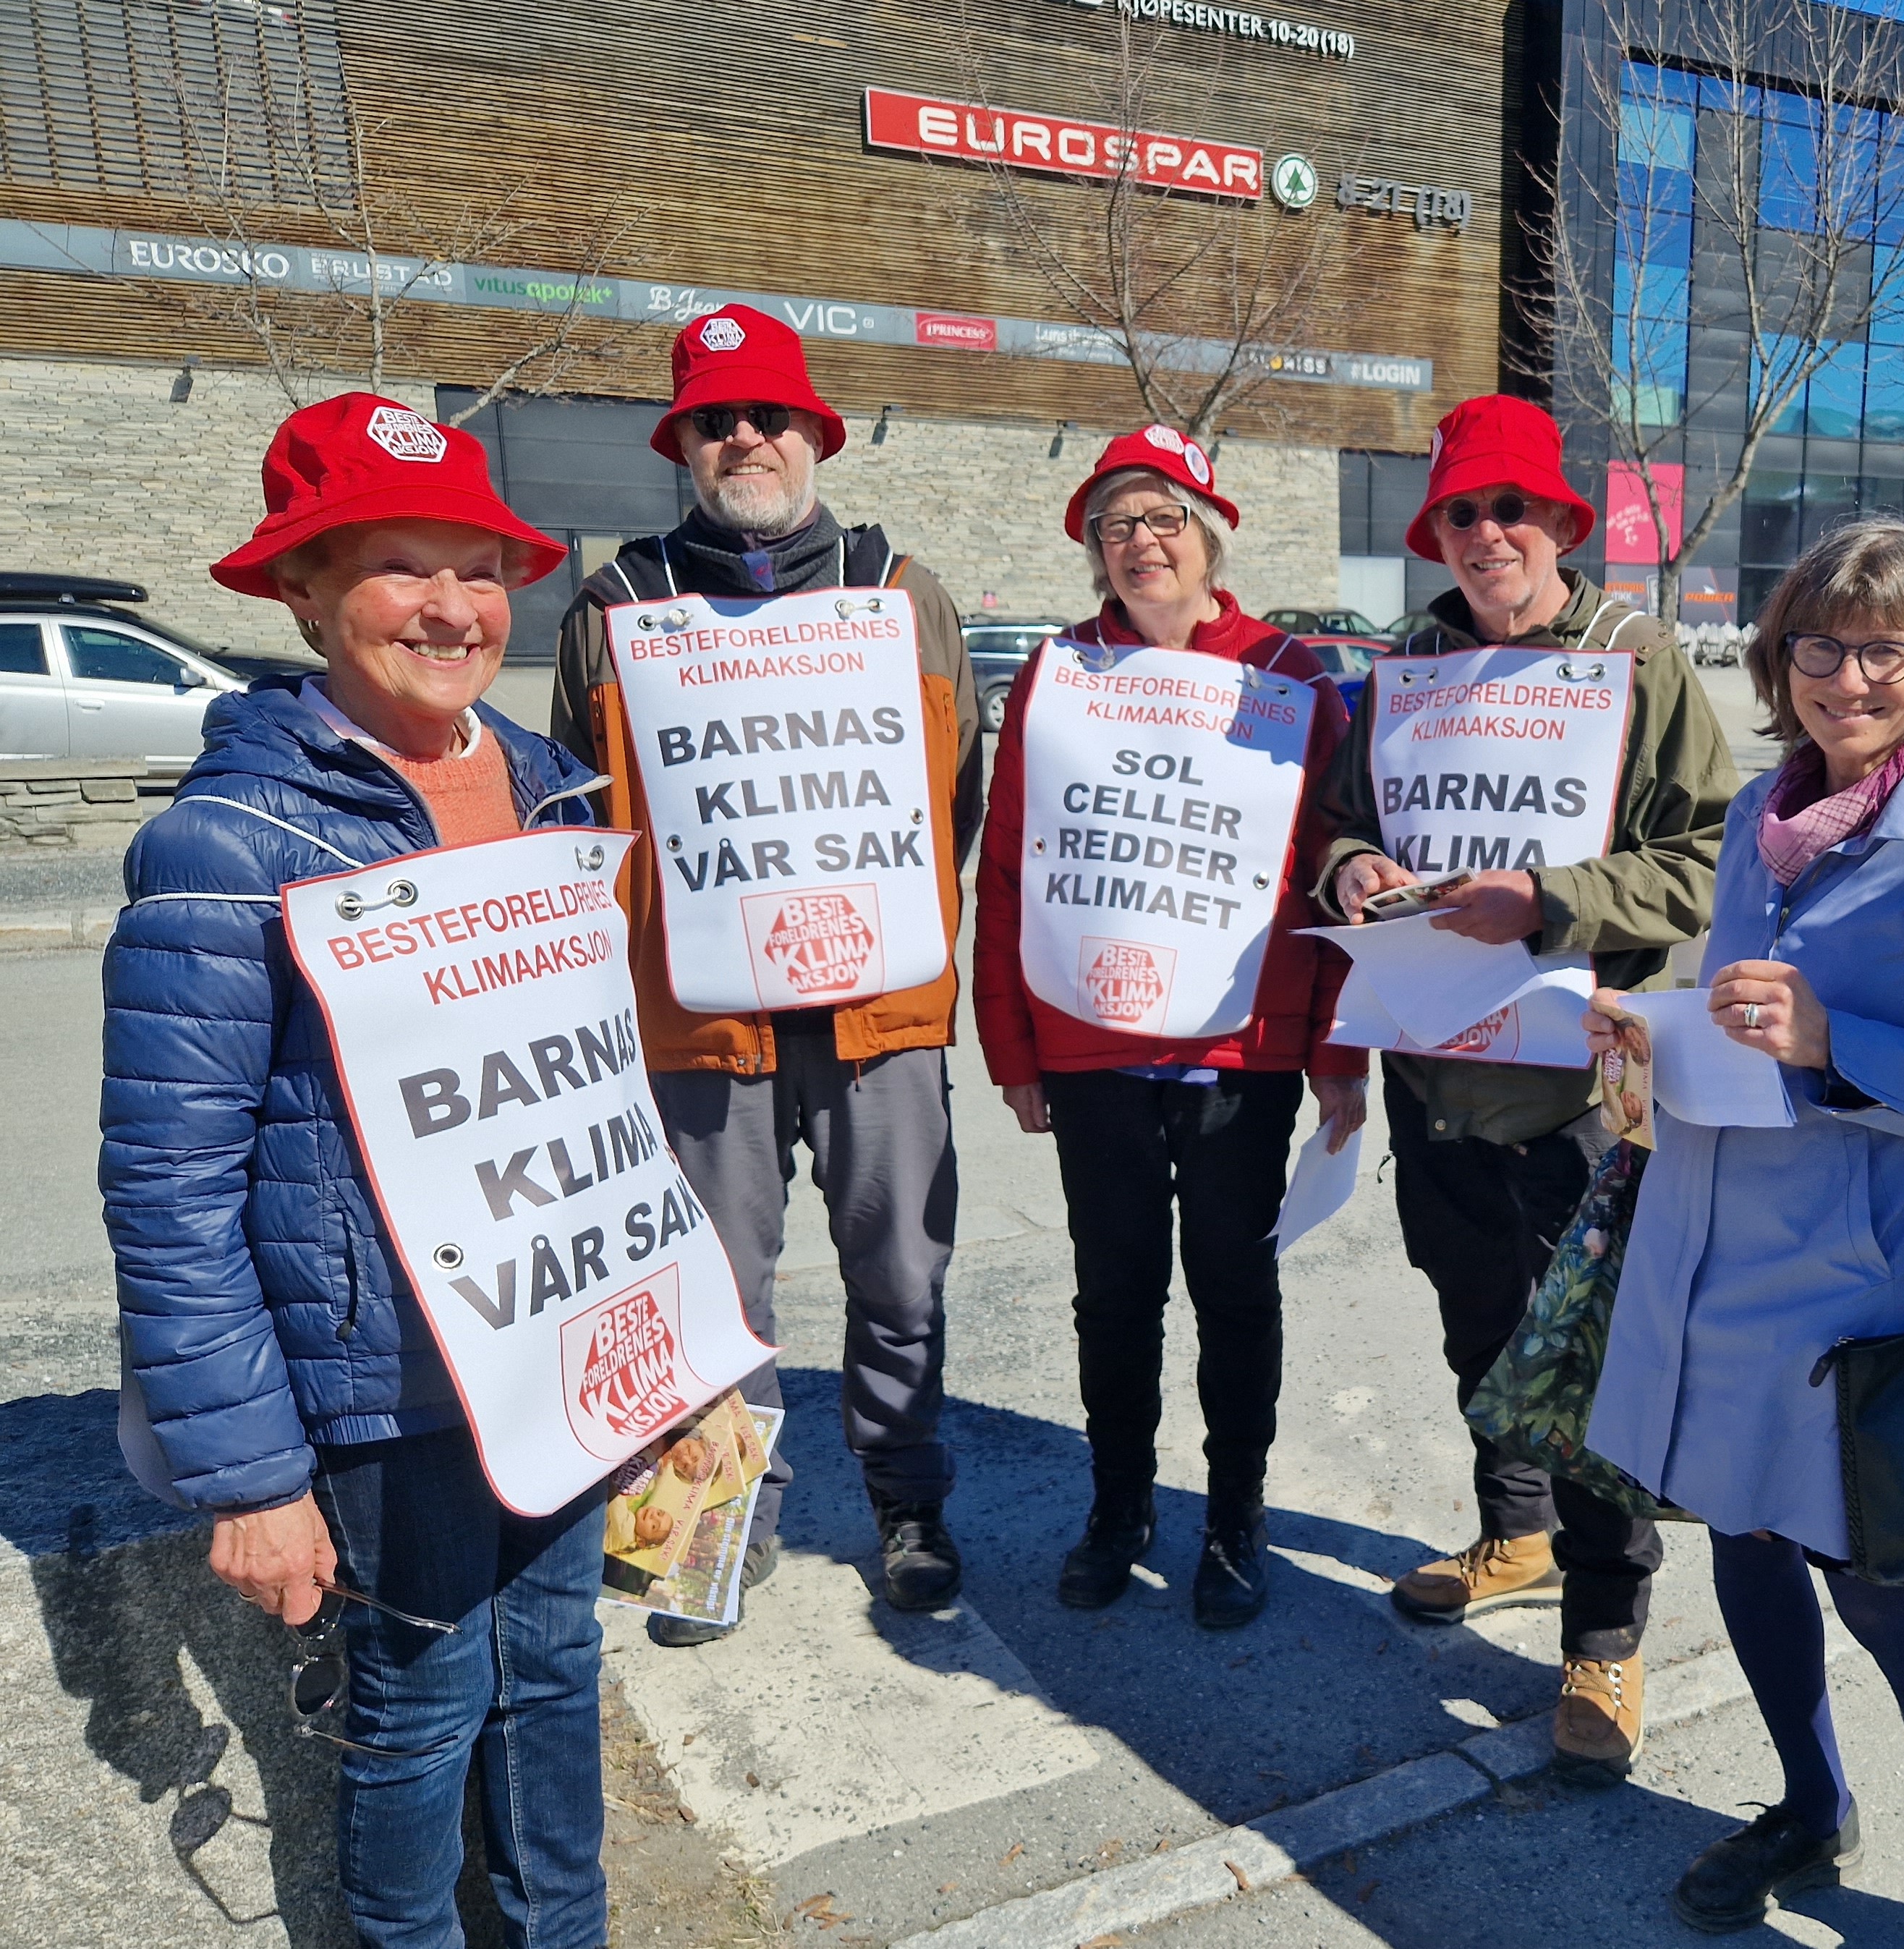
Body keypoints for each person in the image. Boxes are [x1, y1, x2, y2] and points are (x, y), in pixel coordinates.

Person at [104, 394, 609, 1943]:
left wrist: (668, 1332)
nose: (453, 608)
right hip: (385, 1386)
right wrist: (251, 1475)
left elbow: (597, 1102)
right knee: (423, 1702)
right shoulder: (228, 840)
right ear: (305, 595)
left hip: (553, 1343)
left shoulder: (550, 793)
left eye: (478, 567)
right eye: (401, 568)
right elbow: (170, 1191)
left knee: (557, 1678)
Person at [1582, 514, 1904, 1945]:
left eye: (1884, 650)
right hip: (1705, 1261)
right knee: (1738, 1539)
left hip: (1853, 1288)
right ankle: (1807, 1803)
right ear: (1778, 650)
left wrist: (1826, 1041)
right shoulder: (1758, 810)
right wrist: (1639, 1048)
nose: (1845, 678)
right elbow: (1730, 1022)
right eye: (1818, 643)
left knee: (1881, 1585)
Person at [1315, 394, 1741, 1781]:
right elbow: (1341, 824)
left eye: (1514, 509)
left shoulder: (1634, 658)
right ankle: (1515, 1529)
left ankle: (1605, 1636)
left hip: (1578, 1092)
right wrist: (1351, 872)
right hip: (1440, 1079)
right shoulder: (1400, 672)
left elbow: (1716, 852)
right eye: (1462, 512)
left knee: (1597, 1373)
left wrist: (1552, 899)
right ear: (1435, 530)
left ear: (1563, 523)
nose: (1488, 532)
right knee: (1478, 1328)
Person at [550, 305, 982, 1640]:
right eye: (716, 420)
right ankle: (726, 1526)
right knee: (718, 1294)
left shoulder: (899, 589)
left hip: (878, 1010)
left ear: (813, 436)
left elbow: (951, 793)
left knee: (900, 1273)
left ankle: (907, 1503)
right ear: (683, 445)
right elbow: (581, 810)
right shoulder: (616, 606)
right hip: (696, 1024)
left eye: (769, 417)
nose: (746, 438)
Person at [970, 428, 1366, 1629]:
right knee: (1115, 1291)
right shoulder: (1057, 671)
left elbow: (1336, 868)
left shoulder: (1290, 674)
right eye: (1116, 524)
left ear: (1210, 533)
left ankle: (1235, 1517)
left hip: (1242, 1047)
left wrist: (1341, 1050)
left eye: (1163, 518)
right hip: (1092, 1044)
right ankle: (1119, 1504)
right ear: (1095, 551)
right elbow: (1011, 865)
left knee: (1237, 1291)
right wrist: (1010, 1043)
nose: (1141, 542)